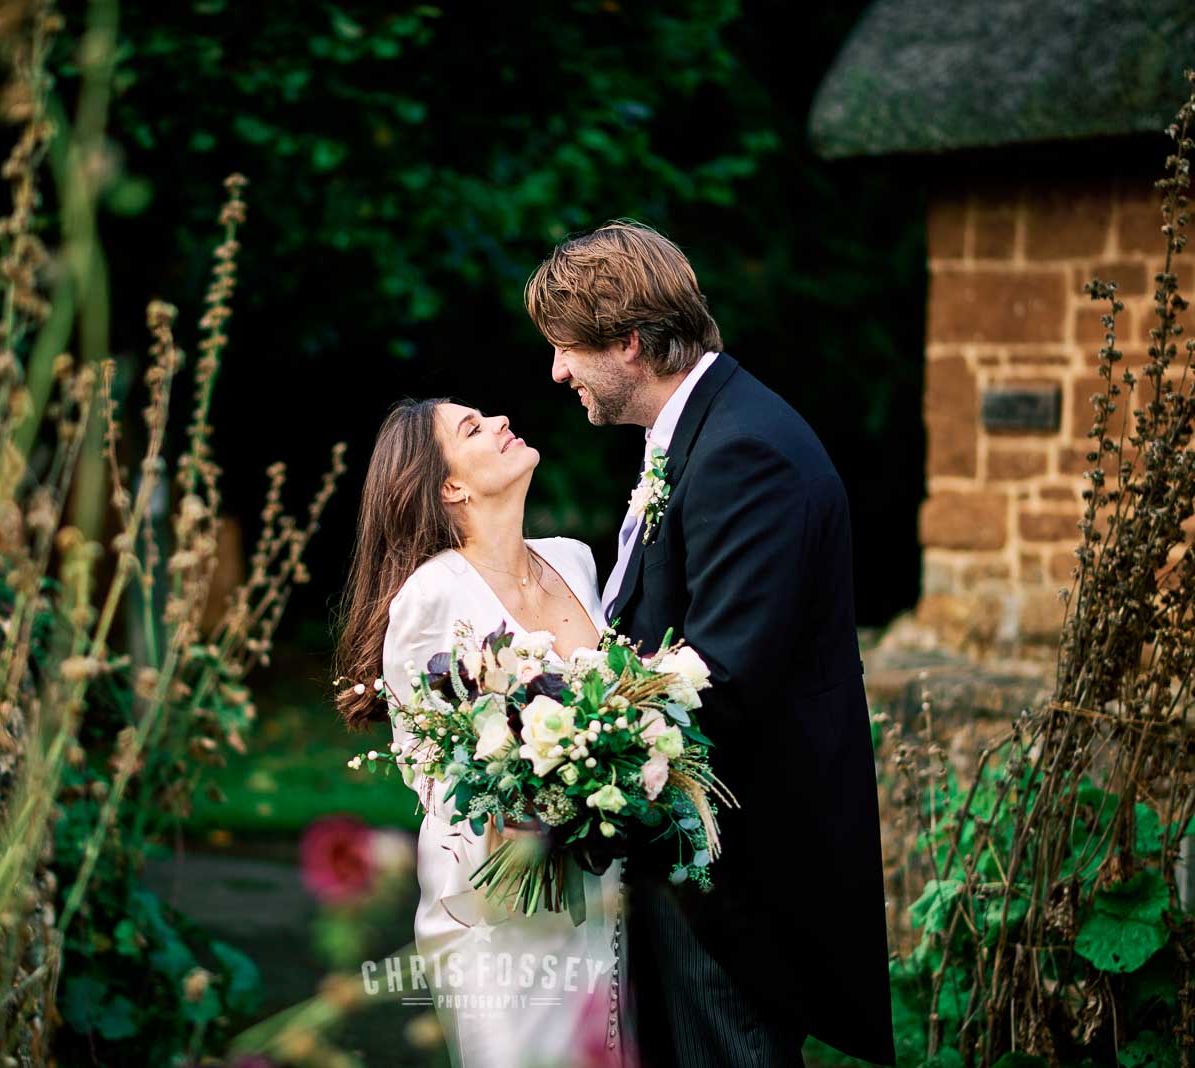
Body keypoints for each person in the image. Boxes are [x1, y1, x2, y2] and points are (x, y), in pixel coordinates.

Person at [523, 220, 895, 1067]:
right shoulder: (702, 430)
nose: (556, 372)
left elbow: (721, 680)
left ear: (629, 344)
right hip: (695, 860)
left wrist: (574, 753)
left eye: (565, 349)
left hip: (737, 879)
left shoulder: (746, 451)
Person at [335, 398, 633, 1068]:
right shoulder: (431, 595)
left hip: (603, 889)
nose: (500, 420)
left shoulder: (577, 561)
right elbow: (430, 767)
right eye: (472, 428)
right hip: (503, 909)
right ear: (451, 487)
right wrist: (525, 801)